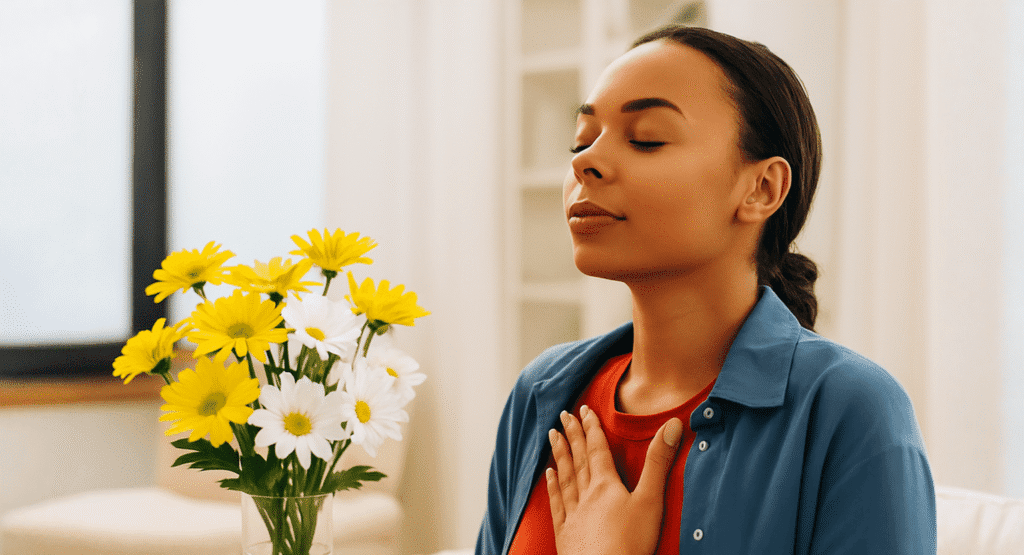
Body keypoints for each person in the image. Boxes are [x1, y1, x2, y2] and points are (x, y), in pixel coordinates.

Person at [476, 25, 936, 555]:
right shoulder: (542, 394)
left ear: (761, 189)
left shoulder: (849, 410)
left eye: (646, 137)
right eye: (581, 141)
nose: (584, 162)